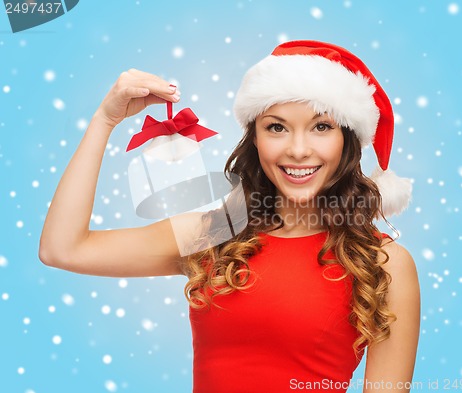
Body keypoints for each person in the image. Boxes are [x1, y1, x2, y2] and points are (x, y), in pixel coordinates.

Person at [39, 40, 420, 392]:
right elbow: (63, 248)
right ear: (254, 138)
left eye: (321, 127)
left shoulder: (383, 264)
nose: (299, 149)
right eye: (277, 127)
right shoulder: (214, 234)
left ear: (348, 140)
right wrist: (105, 120)